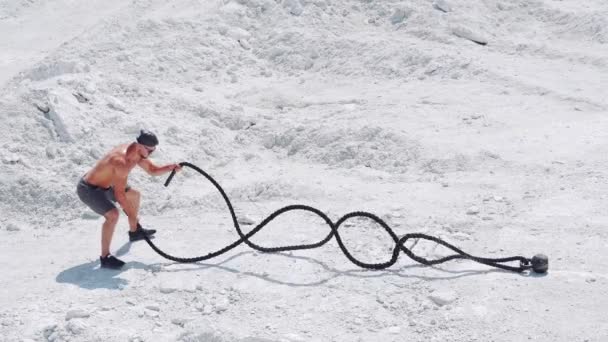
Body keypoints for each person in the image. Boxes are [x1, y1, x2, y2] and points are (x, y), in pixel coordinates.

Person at [76, 130, 182, 269]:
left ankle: (134, 232)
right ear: (140, 146)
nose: (150, 154)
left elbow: (152, 170)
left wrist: (170, 167)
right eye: (149, 151)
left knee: (134, 195)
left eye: (153, 151)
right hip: (89, 189)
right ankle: (105, 257)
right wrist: (132, 216)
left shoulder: (137, 152)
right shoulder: (122, 162)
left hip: (107, 186)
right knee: (113, 215)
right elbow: (120, 196)